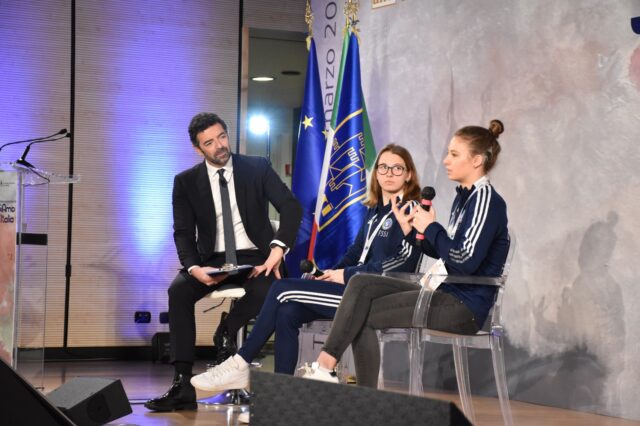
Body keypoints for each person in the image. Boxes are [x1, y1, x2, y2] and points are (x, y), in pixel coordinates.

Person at [189, 143, 423, 393]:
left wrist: (345, 274)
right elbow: (355, 253)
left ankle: (240, 362)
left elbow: (402, 261)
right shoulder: (374, 212)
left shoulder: (411, 210)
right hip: (353, 289)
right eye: (383, 167)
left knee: (281, 289)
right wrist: (328, 274)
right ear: (376, 173)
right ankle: (282, 393)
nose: (389, 173)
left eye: (397, 168)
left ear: (408, 174)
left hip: (372, 298)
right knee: (287, 312)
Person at [301, 120, 510, 388]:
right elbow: (448, 255)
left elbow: (464, 261)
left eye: (454, 154)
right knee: (361, 284)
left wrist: (431, 228)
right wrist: (412, 232)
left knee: (361, 313)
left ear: (476, 160)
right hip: (445, 292)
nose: (446, 160)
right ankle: (333, 373)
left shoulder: (485, 200)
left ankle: (330, 372)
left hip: (463, 307)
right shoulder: (465, 197)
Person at [145, 112, 302, 412]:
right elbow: (183, 233)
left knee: (270, 288)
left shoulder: (256, 168)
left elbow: (291, 207)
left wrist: (278, 248)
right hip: (213, 260)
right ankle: (182, 384)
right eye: (209, 142)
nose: (219, 146)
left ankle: (227, 331)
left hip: (256, 256)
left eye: (222, 137)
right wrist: (194, 268)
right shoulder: (185, 182)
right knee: (178, 291)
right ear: (197, 149)